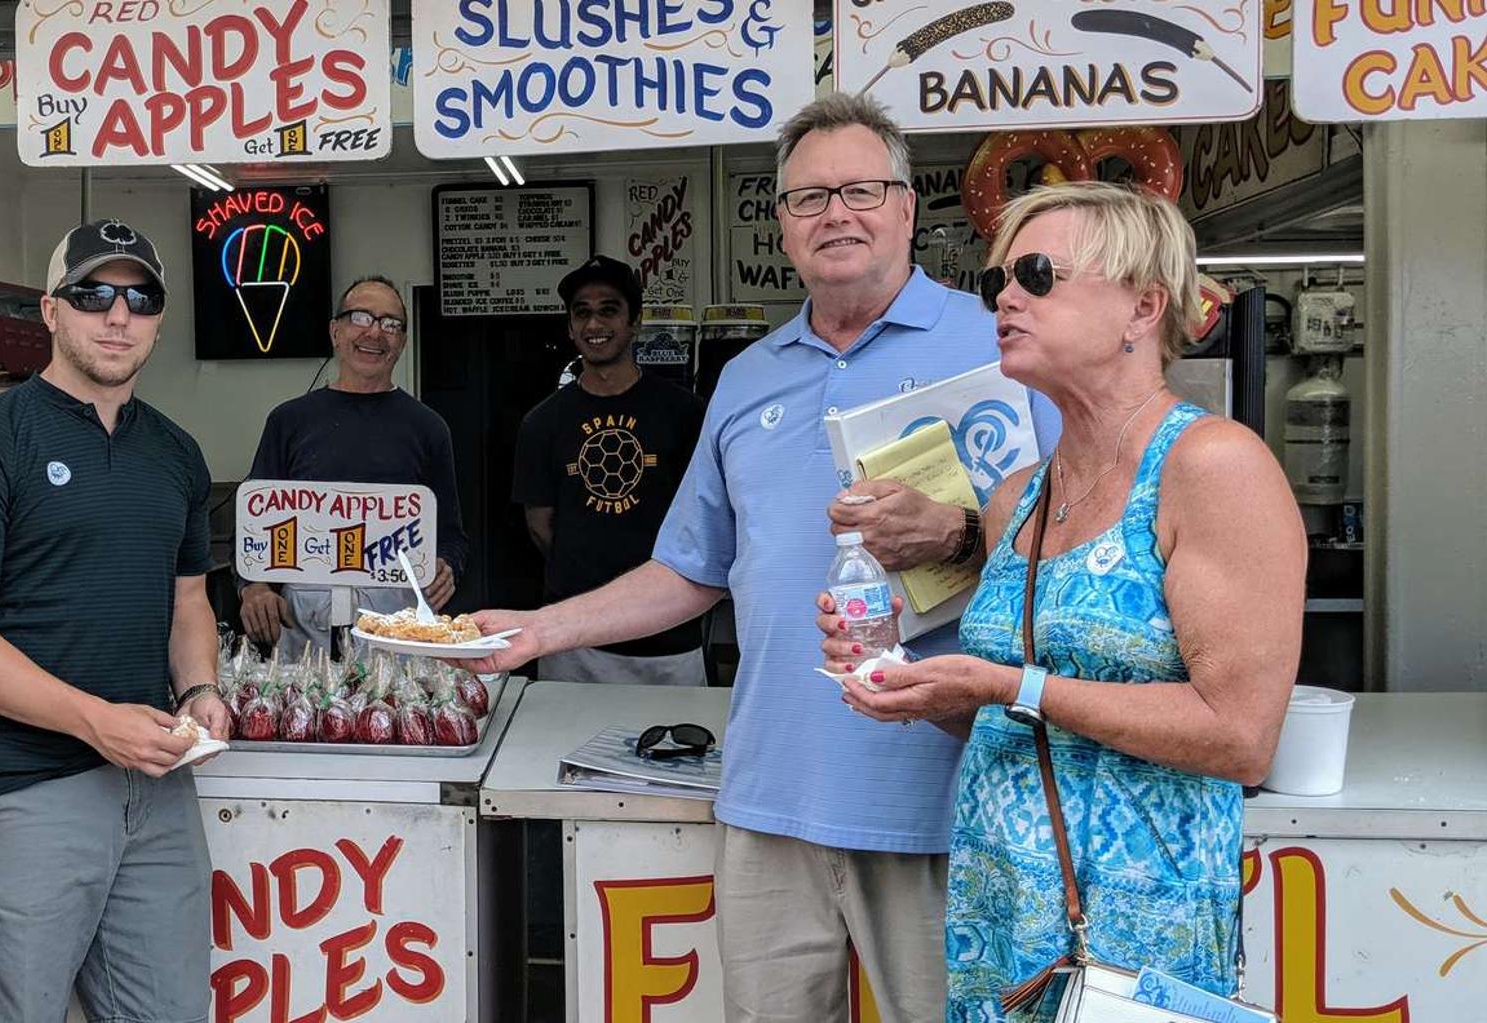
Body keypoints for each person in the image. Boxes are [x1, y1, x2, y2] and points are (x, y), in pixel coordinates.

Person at [465, 92, 1059, 1023]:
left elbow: (1088, 555)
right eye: (809, 198)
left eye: (862, 190)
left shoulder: (1005, 348)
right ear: (781, 224)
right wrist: (541, 627)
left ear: (908, 206)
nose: (837, 214)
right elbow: (693, 569)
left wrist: (961, 533)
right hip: (770, 797)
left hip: (951, 799)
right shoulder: (747, 378)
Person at [818, 182, 1304, 1020]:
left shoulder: (1211, 465)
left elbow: (1240, 735)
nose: (1005, 294)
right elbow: (1014, 718)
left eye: (1037, 273)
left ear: (1142, 306)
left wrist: (1010, 686)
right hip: (999, 925)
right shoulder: (1018, 497)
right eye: (996, 279)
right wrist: (917, 690)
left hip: (1134, 937)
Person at [0, 219, 231, 1023]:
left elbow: (187, 599)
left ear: (159, 317)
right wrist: (95, 721)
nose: (117, 315)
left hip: (153, 784)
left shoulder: (176, 452)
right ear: (52, 310)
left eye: (139, 297)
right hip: (21, 788)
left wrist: (198, 687)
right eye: (94, 294)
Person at [238, 274, 468, 657]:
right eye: (361, 318)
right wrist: (254, 587)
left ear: (403, 342)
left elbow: (451, 535)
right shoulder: (289, 421)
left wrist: (447, 566)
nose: (375, 333)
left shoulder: (428, 427)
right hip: (304, 620)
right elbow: (254, 521)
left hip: (395, 621)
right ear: (335, 331)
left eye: (391, 324)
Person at [512, 255, 707, 685]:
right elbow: (540, 526)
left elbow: (702, 520)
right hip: (572, 641)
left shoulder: (684, 413)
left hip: (668, 640)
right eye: (581, 312)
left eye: (608, 309)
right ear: (569, 328)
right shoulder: (542, 423)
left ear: (635, 322)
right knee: (559, 752)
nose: (593, 323)